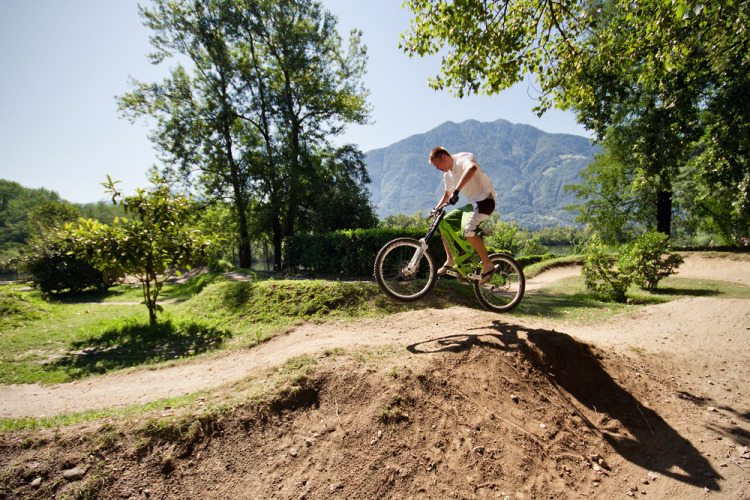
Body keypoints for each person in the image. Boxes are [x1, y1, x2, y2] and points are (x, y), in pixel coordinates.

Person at [429, 146, 497, 284]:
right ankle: (451, 259)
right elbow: (447, 195)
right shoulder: (447, 175)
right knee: (443, 222)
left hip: (485, 201)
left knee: (468, 230)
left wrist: (457, 191)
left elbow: (471, 168)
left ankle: (487, 264)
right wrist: (436, 209)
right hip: (472, 205)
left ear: (444, 156)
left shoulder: (462, 159)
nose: (437, 168)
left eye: (437, 163)